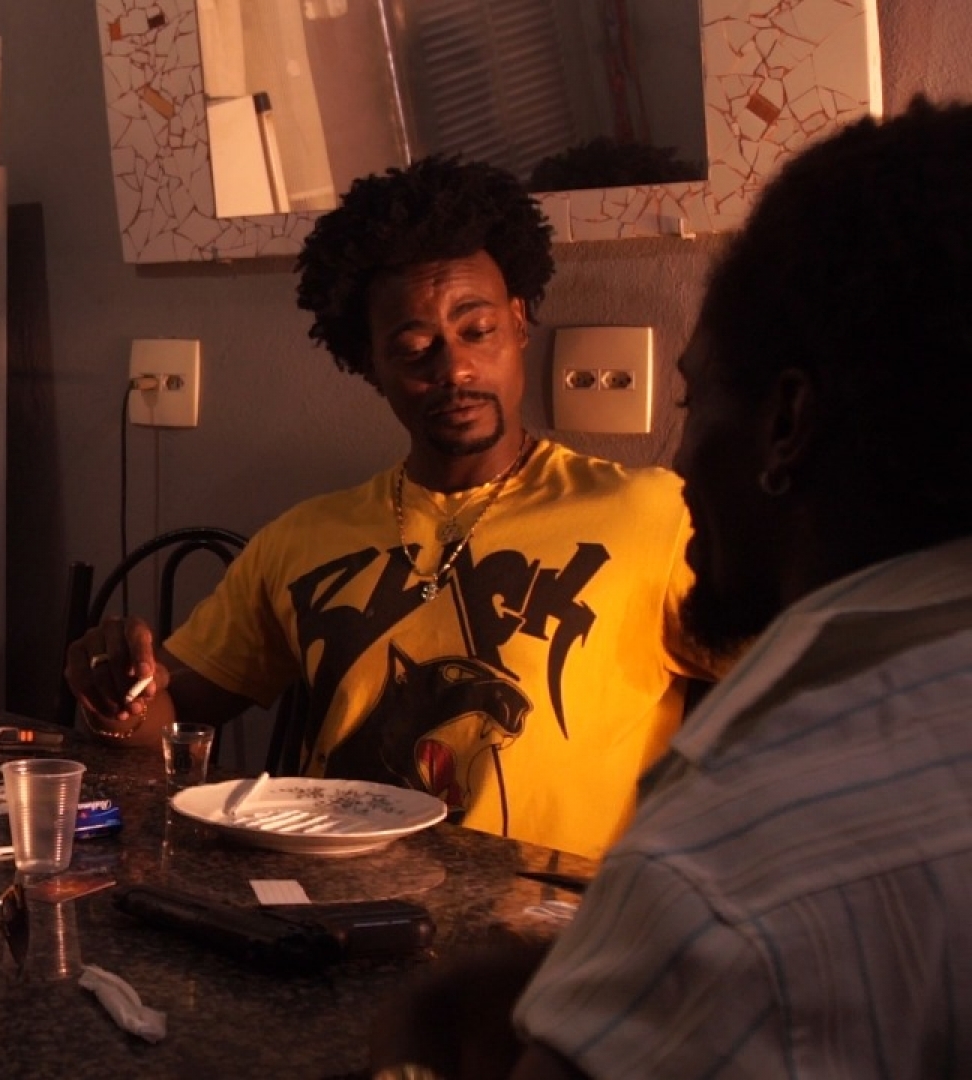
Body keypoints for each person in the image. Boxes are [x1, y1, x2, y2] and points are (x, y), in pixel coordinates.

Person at [370, 97, 972, 1080]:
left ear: (786, 426)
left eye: (695, 401)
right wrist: (596, 972)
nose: (680, 464)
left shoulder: (728, 849)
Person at [64, 156, 720, 859]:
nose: (454, 368)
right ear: (370, 364)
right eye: (413, 349)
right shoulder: (302, 538)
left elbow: (788, 701)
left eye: (477, 330)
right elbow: (168, 717)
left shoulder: (651, 514)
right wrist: (117, 696)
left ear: (519, 322)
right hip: (336, 898)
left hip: (549, 916)